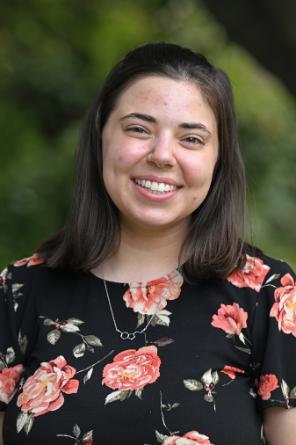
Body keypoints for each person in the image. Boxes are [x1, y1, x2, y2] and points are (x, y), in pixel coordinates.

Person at [0, 42, 295, 445]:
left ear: (218, 159)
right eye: (139, 129)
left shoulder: (269, 296)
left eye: (191, 139)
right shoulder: (18, 292)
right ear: (100, 136)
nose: (161, 155)